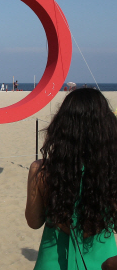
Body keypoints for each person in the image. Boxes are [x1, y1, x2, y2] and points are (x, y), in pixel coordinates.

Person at [25, 88, 117, 269]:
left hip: (53, 259)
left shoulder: (42, 170)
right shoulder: (112, 170)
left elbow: (34, 222)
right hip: (103, 259)